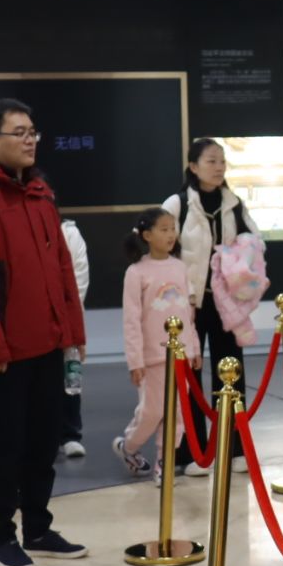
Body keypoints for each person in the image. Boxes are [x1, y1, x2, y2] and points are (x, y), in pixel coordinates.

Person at [0, 99, 90, 566]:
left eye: (33, 131)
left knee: (42, 445)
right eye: (19, 132)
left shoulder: (40, 192)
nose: (30, 140)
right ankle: (2, 538)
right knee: (4, 449)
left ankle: (38, 528)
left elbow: (62, 268)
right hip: (5, 353)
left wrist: (72, 331)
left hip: (47, 344)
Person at [160, 138, 260, 472]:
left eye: (222, 161)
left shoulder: (234, 203)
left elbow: (254, 241)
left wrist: (241, 256)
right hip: (189, 303)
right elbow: (157, 241)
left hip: (225, 302)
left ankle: (234, 448)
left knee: (231, 372)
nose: (218, 167)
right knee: (189, 376)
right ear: (193, 166)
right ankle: (192, 453)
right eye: (211, 161)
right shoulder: (177, 203)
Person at [113, 207, 197, 478]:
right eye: (164, 229)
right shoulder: (136, 272)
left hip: (182, 355)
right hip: (152, 357)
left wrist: (194, 347)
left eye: (173, 229)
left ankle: (164, 462)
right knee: (152, 411)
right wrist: (135, 361)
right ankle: (128, 447)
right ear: (147, 235)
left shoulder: (180, 267)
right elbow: (131, 320)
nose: (171, 234)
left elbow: (188, 314)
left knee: (177, 412)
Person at [59, 218, 91, 461]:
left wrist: (68, 313)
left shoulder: (70, 233)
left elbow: (79, 279)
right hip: (33, 317)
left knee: (71, 375)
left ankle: (70, 434)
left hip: (67, 316)